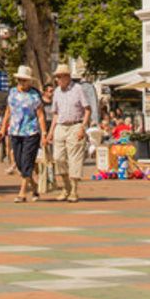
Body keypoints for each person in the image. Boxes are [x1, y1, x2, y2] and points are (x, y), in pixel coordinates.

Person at [49, 65, 96, 203]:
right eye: (56, 77)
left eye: (60, 76)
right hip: (60, 126)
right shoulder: (57, 92)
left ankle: (74, 190)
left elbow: (87, 109)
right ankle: (66, 186)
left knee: (74, 158)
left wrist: (83, 127)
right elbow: (55, 113)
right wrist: (51, 131)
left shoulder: (78, 89)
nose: (58, 79)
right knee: (58, 158)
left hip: (75, 125)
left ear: (67, 77)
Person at [0, 65, 46, 203]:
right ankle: (34, 186)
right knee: (19, 163)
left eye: (24, 80)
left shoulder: (34, 95)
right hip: (15, 131)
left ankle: (22, 192)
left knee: (27, 161)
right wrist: (3, 128)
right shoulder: (12, 93)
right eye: (20, 80)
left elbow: (40, 115)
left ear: (30, 81)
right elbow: (8, 112)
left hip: (31, 132)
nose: (22, 82)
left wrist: (44, 133)